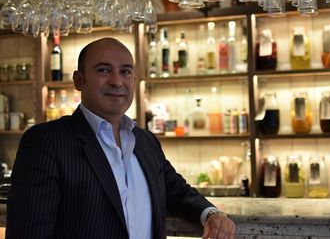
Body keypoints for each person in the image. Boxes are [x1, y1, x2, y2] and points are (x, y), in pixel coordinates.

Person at [6, 38, 236, 239]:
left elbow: (176, 191)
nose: (117, 81)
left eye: (125, 71)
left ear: (134, 81)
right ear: (79, 80)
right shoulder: (46, 142)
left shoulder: (145, 141)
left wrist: (210, 214)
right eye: (103, 70)